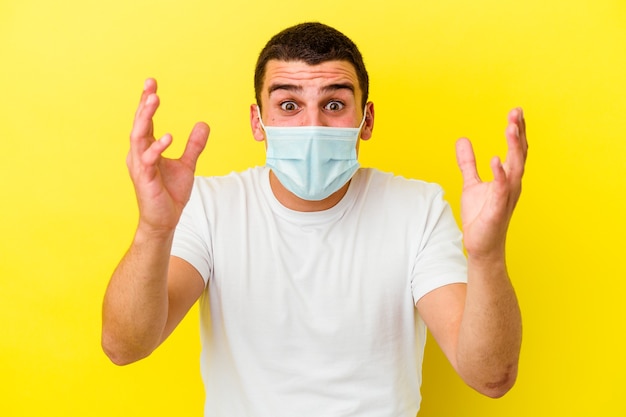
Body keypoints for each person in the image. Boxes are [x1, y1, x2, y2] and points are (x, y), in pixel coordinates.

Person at [102, 22, 526, 416]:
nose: (312, 125)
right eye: (289, 104)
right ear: (258, 121)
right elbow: (125, 346)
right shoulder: (209, 206)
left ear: (366, 120)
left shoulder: (418, 209)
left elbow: (490, 376)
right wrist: (154, 230)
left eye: (334, 104)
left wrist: (487, 255)